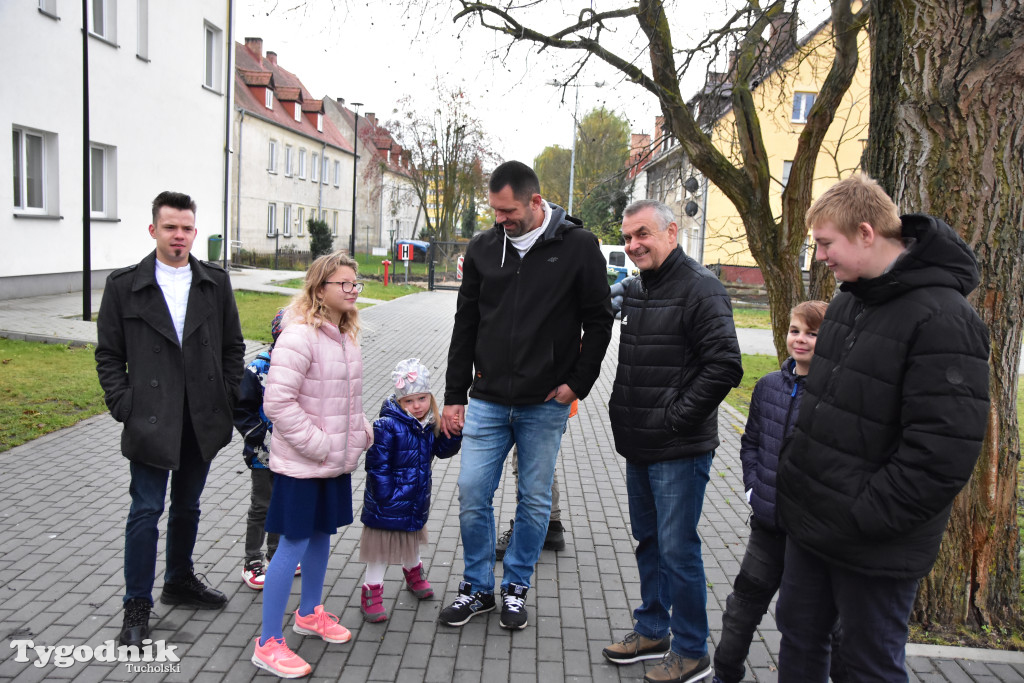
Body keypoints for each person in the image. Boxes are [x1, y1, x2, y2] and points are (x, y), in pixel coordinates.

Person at [774, 175, 990, 682]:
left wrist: (864, 514)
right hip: (814, 525)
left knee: (866, 664)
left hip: (875, 540)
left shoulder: (945, 320)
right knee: (799, 639)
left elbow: (942, 453)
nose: (820, 256)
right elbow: (822, 405)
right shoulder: (849, 301)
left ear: (866, 233)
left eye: (826, 243)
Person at [439, 160, 614, 631]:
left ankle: (515, 587)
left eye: (508, 210)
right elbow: (466, 324)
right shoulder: (482, 248)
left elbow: (600, 321)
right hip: (489, 399)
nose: (500, 219)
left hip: (544, 404)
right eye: (495, 210)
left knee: (534, 500)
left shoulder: (578, 247)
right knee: (473, 491)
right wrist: (455, 393)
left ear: (536, 201)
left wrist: (578, 383)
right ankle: (477, 587)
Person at [96, 191, 245, 648]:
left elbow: (232, 348)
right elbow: (108, 355)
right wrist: (126, 405)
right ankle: (136, 605)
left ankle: (179, 580)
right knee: (146, 510)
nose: (178, 236)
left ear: (195, 232)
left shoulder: (214, 283)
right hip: (151, 420)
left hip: (199, 418)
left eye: (186, 228)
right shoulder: (125, 285)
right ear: (153, 230)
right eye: (170, 227)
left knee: (188, 507)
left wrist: (224, 394)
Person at [604, 199, 743, 683]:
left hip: (678, 447)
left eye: (642, 234)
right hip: (640, 441)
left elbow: (725, 366)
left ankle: (691, 649)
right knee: (650, 541)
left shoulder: (702, 289)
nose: (633, 245)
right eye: (627, 238)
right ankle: (652, 629)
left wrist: (674, 418)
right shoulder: (639, 289)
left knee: (678, 548)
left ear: (672, 233)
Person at [251, 251, 373, 679]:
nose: (353, 290)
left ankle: (308, 613)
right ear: (320, 288)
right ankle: (268, 642)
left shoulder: (345, 335)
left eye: (356, 284)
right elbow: (277, 403)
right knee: (293, 545)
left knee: (322, 535)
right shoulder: (299, 336)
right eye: (344, 284)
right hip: (303, 464)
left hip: (333, 463)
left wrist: (360, 433)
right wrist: (321, 444)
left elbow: (347, 401)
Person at [712, 301, 839, 683]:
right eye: (795, 330)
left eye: (812, 333)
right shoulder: (768, 386)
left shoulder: (836, 394)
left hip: (811, 536)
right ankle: (724, 673)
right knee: (741, 608)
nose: (801, 340)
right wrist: (753, 488)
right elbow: (750, 441)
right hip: (767, 526)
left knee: (812, 622)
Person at [358, 358, 462, 622]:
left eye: (422, 399)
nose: (417, 406)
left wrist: (454, 434)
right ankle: (371, 592)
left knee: (411, 539)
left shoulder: (427, 424)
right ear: (399, 402)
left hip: (415, 499)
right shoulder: (386, 426)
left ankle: (413, 574)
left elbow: (441, 450)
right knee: (380, 551)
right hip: (388, 501)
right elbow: (377, 466)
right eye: (409, 401)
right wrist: (386, 497)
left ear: (430, 398)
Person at [233, 309, 294, 590]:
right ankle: (252, 560)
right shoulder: (258, 369)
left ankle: (277, 555)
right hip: (262, 453)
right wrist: (257, 435)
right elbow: (242, 410)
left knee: (283, 505)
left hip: (292, 452)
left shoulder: (300, 367)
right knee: (262, 506)